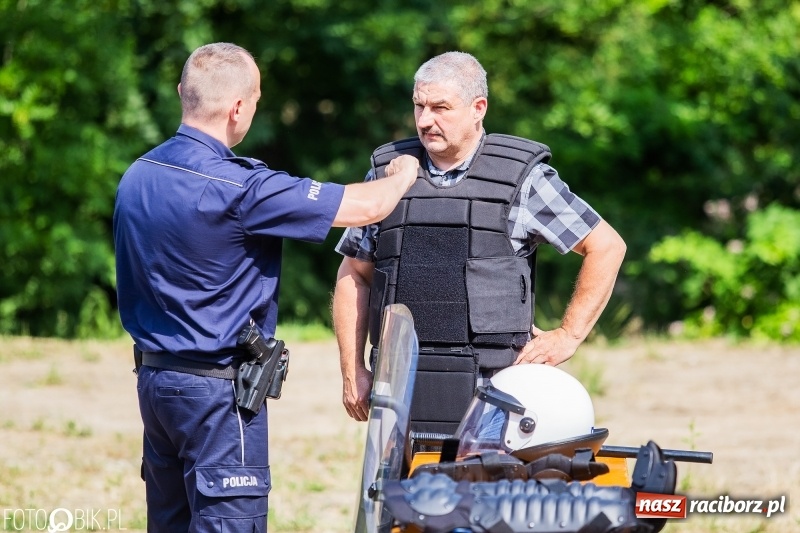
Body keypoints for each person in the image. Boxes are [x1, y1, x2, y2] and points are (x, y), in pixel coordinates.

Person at [113, 42, 418, 532]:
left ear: (182, 93)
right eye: (255, 99)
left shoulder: (138, 175)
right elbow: (366, 208)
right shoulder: (243, 189)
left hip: (155, 384)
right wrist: (404, 173)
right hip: (216, 397)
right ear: (237, 108)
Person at [332, 51, 626, 436]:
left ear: (478, 108)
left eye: (440, 107)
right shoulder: (389, 172)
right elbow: (355, 272)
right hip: (400, 392)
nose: (424, 120)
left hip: (495, 398)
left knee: (483, 497)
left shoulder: (522, 178)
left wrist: (568, 335)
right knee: (398, 499)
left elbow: (606, 246)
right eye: (419, 106)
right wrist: (352, 369)